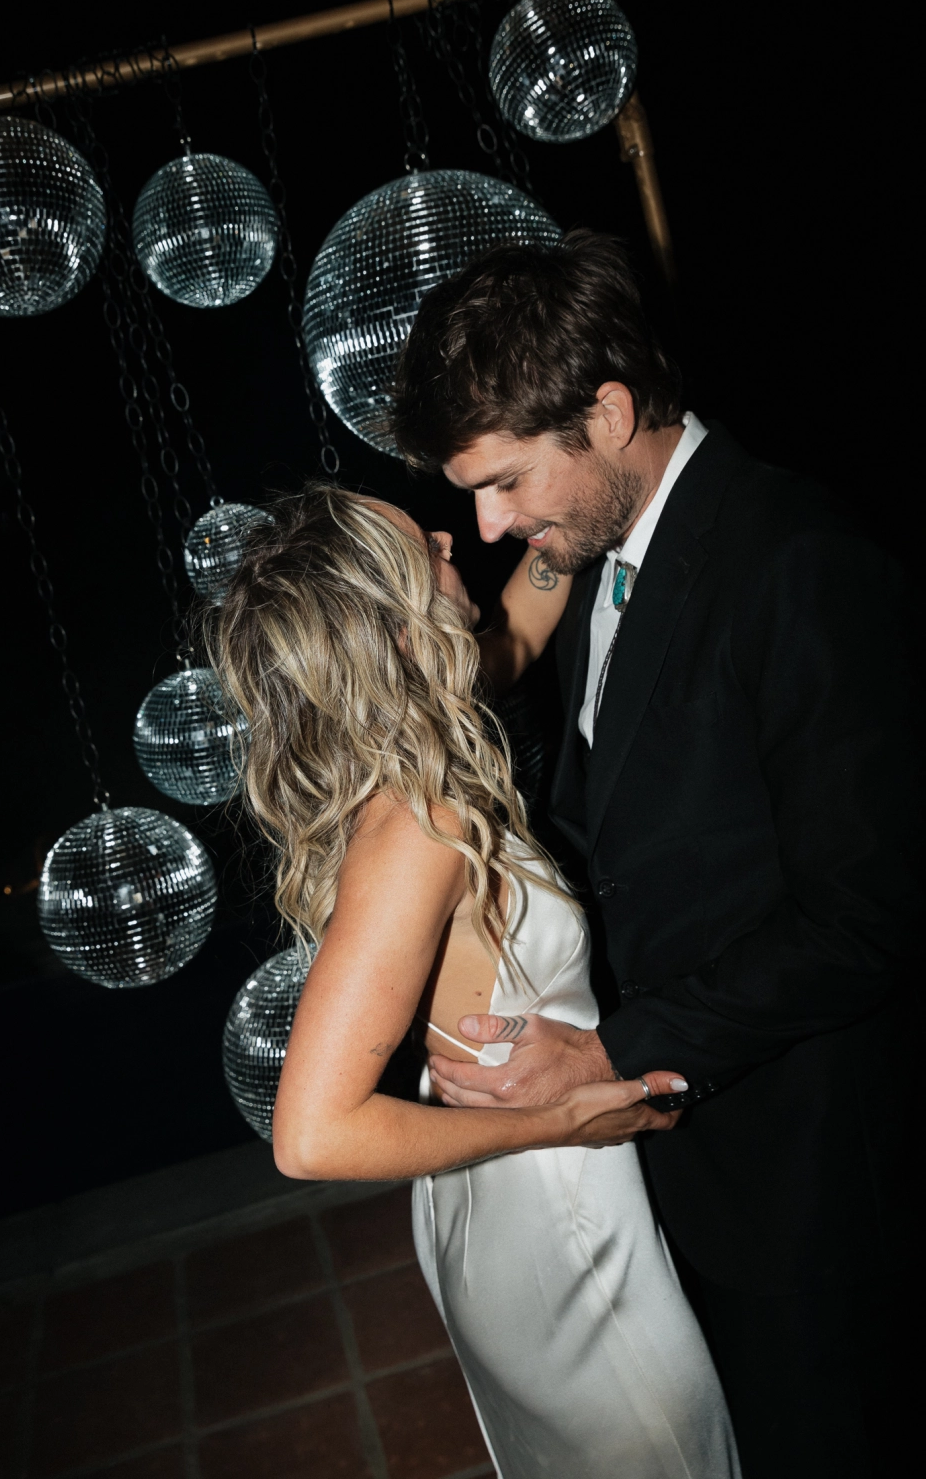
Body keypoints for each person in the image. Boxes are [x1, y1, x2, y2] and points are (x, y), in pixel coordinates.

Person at [391, 230, 917, 1478]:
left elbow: (870, 918)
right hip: (684, 1165)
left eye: (506, 481)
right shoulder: (586, 551)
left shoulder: (801, 565)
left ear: (611, 415)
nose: (487, 523)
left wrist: (615, 1050)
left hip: (802, 1167)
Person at [212, 484, 740, 1479]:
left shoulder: (428, 727)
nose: (452, 532)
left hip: (496, 1196)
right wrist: (560, 1119)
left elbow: (528, 616)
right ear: (396, 625)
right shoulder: (419, 830)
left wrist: (571, 500)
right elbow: (311, 1135)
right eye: (426, 544)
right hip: (557, 1210)